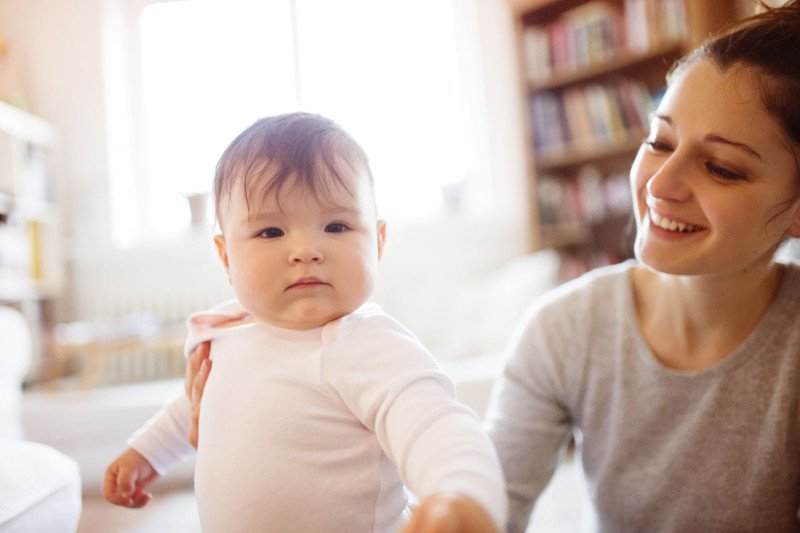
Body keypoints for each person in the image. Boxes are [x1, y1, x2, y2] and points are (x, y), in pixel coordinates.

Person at [102, 112, 507, 532]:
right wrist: (146, 453)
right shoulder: (224, 334)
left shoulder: (365, 345)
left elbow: (435, 426)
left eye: (336, 226)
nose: (306, 250)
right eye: (271, 232)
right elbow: (193, 408)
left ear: (378, 243)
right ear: (226, 258)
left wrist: (457, 494)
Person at [485, 2, 800, 532]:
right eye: (660, 141)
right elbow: (491, 502)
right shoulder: (564, 328)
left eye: (721, 168)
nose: (660, 184)